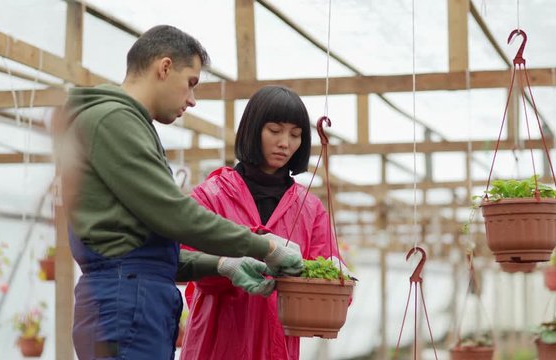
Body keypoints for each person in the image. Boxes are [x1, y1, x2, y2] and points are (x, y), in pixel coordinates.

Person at [59, 25, 304, 360]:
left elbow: (147, 249)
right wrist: (267, 246)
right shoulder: (114, 119)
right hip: (127, 300)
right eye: (191, 83)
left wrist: (220, 264)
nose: (192, 100)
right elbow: (173, 213)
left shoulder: (128, 123)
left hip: (134, 296)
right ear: (164, 67)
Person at [180, 85, 350, 360]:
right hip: (217, 343)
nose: (285, 143)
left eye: (295, 135)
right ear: (252, 130)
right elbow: (183, 260)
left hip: (276, 347)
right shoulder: (211, 195)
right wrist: (227, 266)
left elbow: (331, 278)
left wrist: (333, 278)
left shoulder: (309, 208)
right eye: (275, 131)